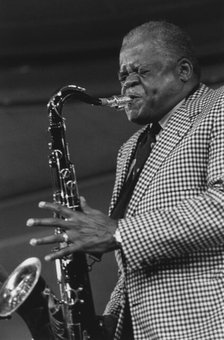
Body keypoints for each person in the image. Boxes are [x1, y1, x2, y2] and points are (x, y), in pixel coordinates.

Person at [26, 21, 224, 340]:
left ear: (184, 71)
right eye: (122, 76)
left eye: (140, 72)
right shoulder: (131, 149)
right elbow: (136, 265)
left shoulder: (219, 109)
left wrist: (117, 231)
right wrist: (98, 321)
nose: (127, 84)